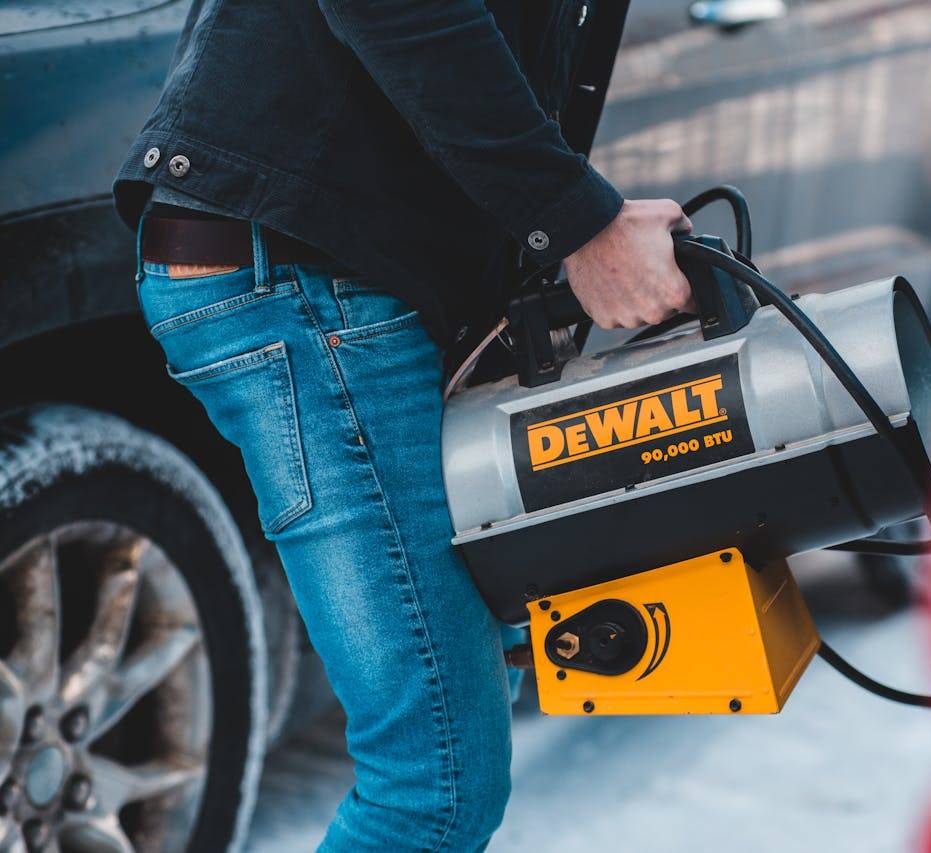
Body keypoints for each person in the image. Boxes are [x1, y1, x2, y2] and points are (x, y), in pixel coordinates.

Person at [112, 0, 693, 848]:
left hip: (335, 265)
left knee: (452, 736)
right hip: (311, 276)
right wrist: (578, 221)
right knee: (434, 785)